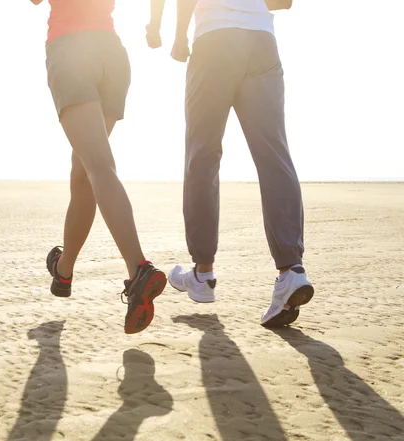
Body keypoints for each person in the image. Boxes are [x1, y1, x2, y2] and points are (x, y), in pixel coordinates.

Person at [146, 0, 313, 327]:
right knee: (274, 157)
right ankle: (291, 270)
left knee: (203, 156)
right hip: (262, 43)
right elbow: (284, 2)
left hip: (215, 42)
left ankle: (203, 273)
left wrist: (176, 34)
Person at [29, 0, 167, 334]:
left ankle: (139, 270)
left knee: (98, 165)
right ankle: (64, 272)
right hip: (111, 54)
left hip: (72, 51)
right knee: (84, 169)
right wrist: (153, 25)